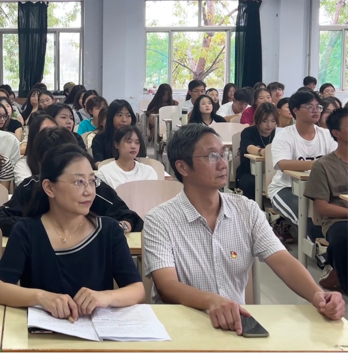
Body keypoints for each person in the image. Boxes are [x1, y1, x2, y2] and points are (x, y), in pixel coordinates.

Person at [143, 124, 344, 335]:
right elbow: (167, 286)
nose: (223, 164)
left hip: (236, 328)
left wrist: (317, 295)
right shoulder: (160, 219)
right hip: (180, 329)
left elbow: (283, 261)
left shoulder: (246, 209)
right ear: (182, 167)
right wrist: (211, 301)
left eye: (224, 154)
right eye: (212, 156)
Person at [0, 143, 145, 316]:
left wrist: (106, 297)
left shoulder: (108, 230)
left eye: (92, 181)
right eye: (79, 182)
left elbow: (137, 289)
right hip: (43, 330)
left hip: (96, 330)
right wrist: (39, 297)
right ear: (49, 188)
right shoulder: (27, 231)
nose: (89, 191)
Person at [0, 130, 144, 237]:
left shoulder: (93, 187)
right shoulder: (30, 187)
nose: (88, 190)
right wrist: (42, 227)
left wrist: (115, 228)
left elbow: (131, 218)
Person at [268, 91, 337, 238]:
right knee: (307, 219)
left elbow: (336, 162)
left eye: (318, 107)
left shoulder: (327, 135)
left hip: (320, 189)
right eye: (310, 107)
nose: (316, 110)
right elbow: (283, 164)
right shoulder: (284, 136)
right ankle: (318, 249)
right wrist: (318, 164)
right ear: (296, 110)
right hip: (286, 188)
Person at [305, 107, 348, 293]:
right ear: (336, 133)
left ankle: (334, 267)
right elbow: (322, 208)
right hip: (338, 219)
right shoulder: (323, 165)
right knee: (343, 238)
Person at [236, 103, 277, 203]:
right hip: (248, 172)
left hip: (274, 173)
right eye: (265, 121)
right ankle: (254, 209)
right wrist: (262, 151)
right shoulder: (248, 131)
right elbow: (248, 146)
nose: (269, 125)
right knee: (252, 183)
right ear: (258, 120)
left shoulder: (279, 133)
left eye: (273, 121)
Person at [92, 100, 141, 166]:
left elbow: (142, 159)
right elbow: (98, 163)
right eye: (119, 115)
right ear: (111, 117)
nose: (124, 120)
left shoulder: (136, 137)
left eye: (128, 115)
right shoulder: (99, 138)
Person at [15, 113, 57, 186]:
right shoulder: (23, 165)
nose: (52, 135)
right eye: (46, 132)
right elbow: (27, 189)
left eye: (56, 131)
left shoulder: (68, 160)